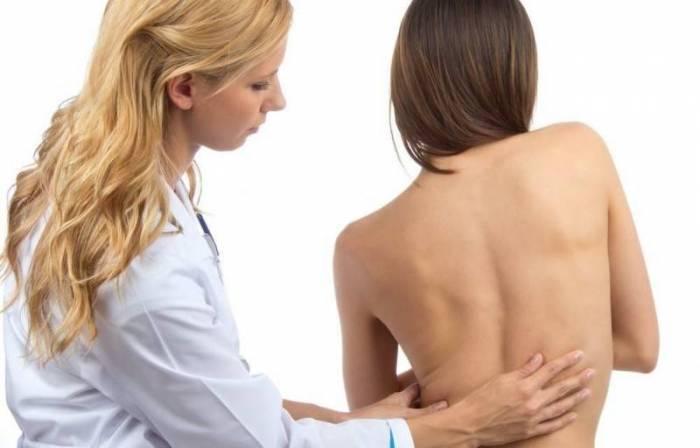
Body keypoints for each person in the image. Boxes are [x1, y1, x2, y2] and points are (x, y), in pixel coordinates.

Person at [1, 1, 594, 447]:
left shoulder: (84, 194)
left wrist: (354, 421)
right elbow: (254, 444)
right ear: (184, 87)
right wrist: (466, 426)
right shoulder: (140, 265)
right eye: (258, 82)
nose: (277, 100)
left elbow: (209, 399)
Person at [333, 1, 660, 447]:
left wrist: (451, 371)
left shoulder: (360, 247)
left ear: (409, 82)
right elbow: (640, 346)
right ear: (515, 67)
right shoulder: (578, 152)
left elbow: (380, 425)